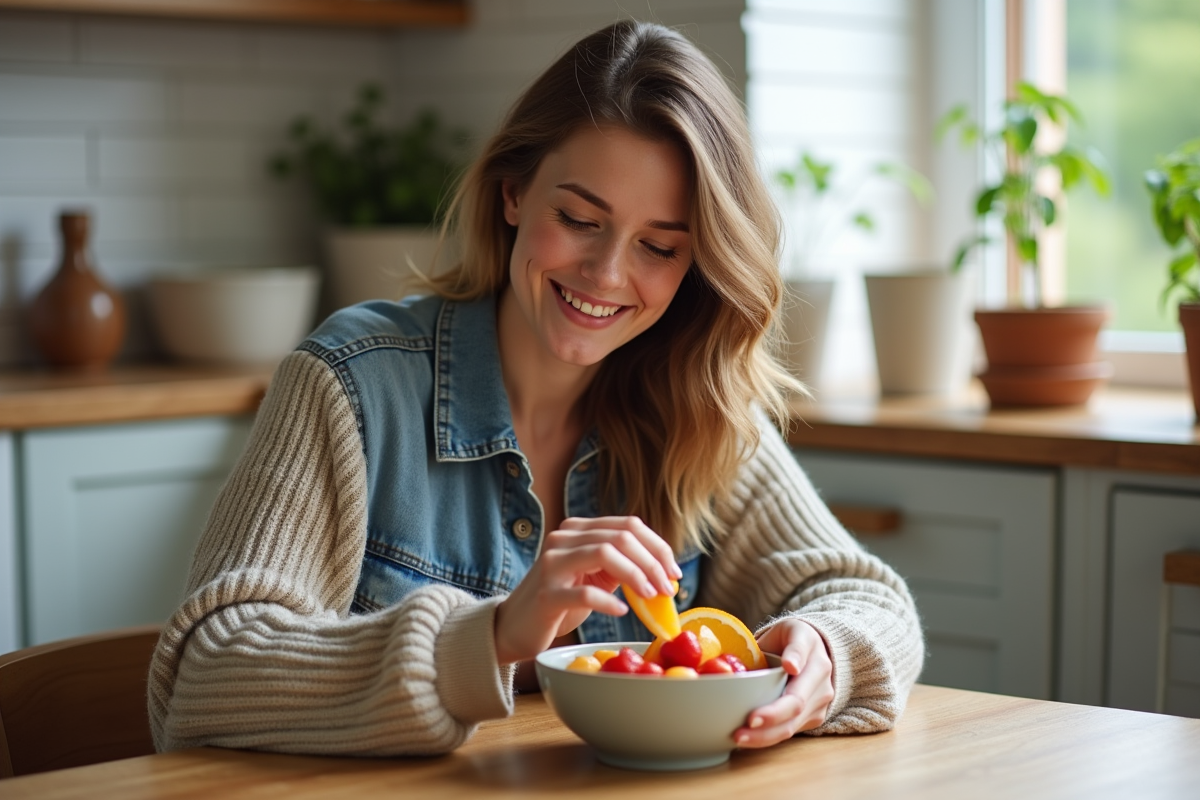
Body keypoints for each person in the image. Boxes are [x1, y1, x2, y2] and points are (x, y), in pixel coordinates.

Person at [148, 20, 923, 756]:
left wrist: (829, 651)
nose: (607, 274)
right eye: (580, 218)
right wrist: (490, 637)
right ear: (514, 193)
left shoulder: (700, 408)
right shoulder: (352, 386)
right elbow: (203, 676)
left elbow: (862, 596)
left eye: (658, 246)